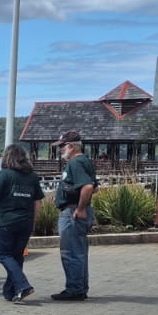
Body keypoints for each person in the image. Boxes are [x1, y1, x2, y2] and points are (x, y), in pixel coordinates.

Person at [0, 144, 42, 302]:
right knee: (17, 256)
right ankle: (10, 291)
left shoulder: (5, 174)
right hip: (26, 221)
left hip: (7, 220)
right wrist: (34, 221)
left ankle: (23, 285)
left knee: (4, 255)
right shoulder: (32, 176)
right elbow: (37, 201)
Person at [50, 129, 97, 301]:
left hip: (72, 212)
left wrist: (80, 207)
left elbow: (88, 187)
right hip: (76, 209)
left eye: (62, 146)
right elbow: (95, 186)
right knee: (80, 252)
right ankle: (80, 287)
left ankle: (74, 289)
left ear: (71, 146)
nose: (60, 150)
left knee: (71, 252)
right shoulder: (85, 161)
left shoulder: (76, 163)